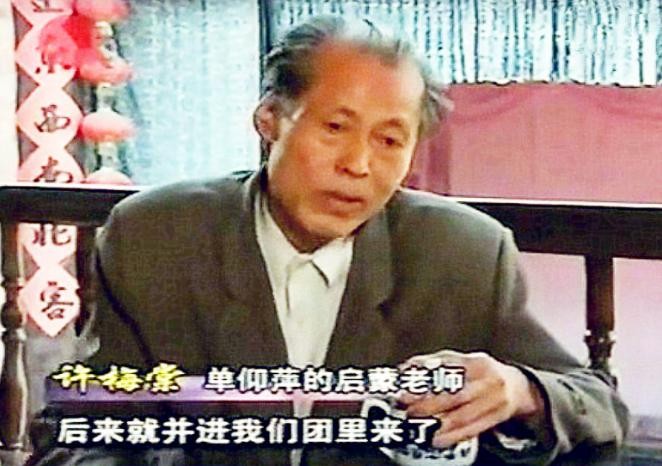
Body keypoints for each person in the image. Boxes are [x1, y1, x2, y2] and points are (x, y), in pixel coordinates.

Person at [29, 16, 628, 466]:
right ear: (270, 119)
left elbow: (599, 407)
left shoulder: (463, 252)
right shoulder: (156, 236)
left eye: (390, 140)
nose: (358, 165)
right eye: (335, 127)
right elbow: (75, 429)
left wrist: (520, 391)